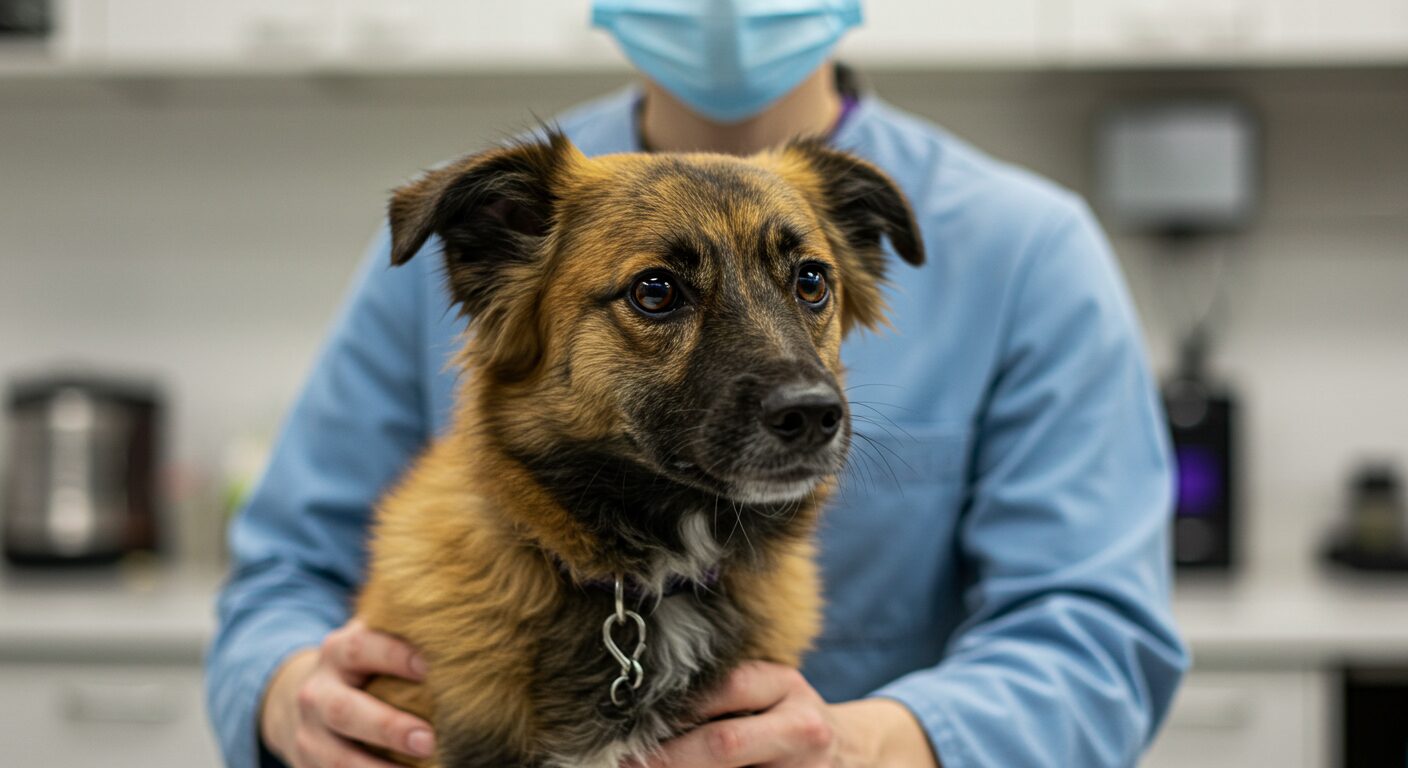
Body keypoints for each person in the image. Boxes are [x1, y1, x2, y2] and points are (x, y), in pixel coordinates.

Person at [205, 2, 1189, 766]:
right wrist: (285, 691)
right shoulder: (512, 228)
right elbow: (281, 572)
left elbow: (1097, 637)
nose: (800, 389)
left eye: (809, 285)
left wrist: (869, 745)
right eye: (658, 293)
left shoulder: (1029, 248)